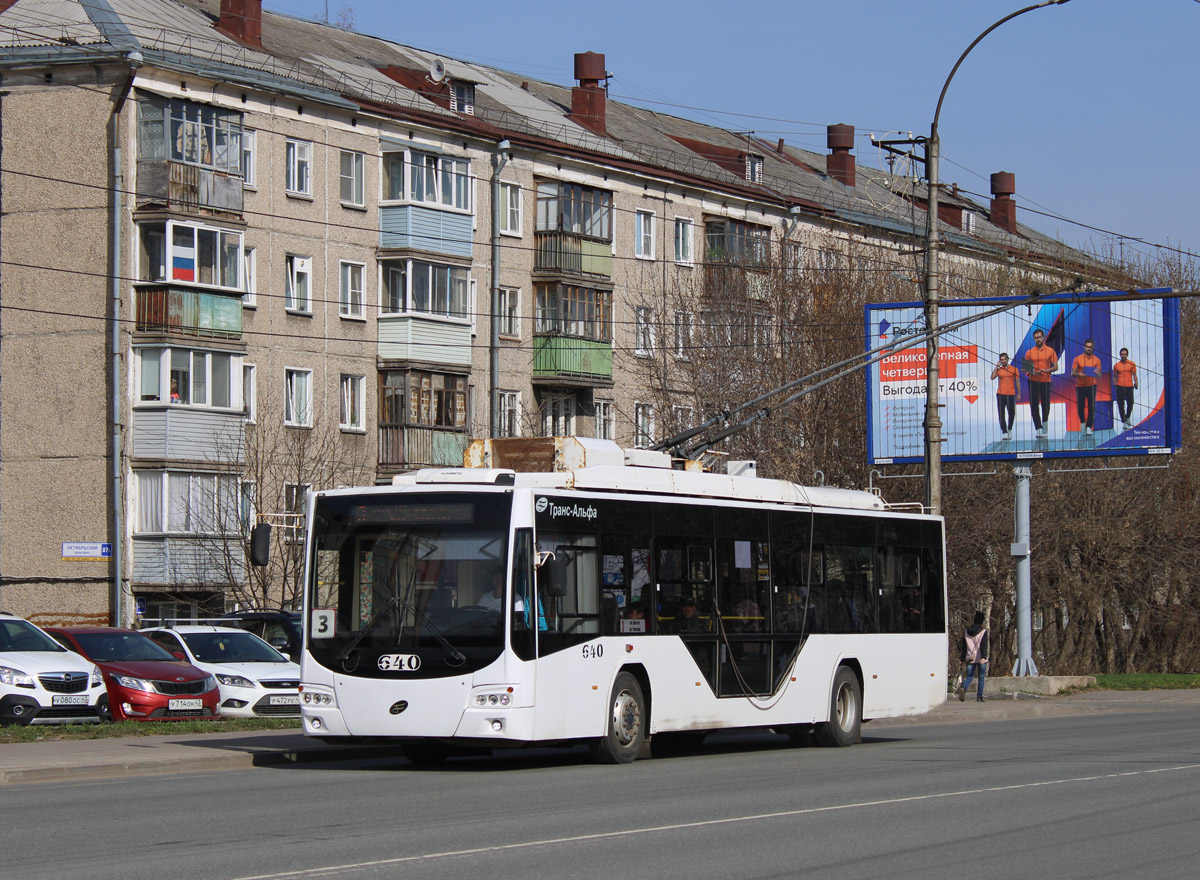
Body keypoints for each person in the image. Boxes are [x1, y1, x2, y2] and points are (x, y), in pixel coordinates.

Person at [1024, 329, 1058, 438]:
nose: (1038, 339)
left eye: (1039, 337)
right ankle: (1038, 428)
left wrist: (1046, 370)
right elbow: (1026, 369)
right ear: (1034, 339)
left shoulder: (1051, 351)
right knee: (1034, 405)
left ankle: (1045, 421)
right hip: (1033, 381)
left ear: (1043, 338)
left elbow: (1056, 367)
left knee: (1046, 404)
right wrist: (1031, 371)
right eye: (1036, 338)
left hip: (1046, 381)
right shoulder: (1029, 352)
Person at [955, 611, 989, 702]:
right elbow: (984, 645)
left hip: (970, 658)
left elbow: (964, 646)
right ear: (982, 621)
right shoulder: (983, 632)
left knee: (969, 677)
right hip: (980, 658)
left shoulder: (967, 631)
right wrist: (983, 657)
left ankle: (963, 687)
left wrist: (962, 658)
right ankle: (979, 697)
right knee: (981, 678)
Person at [1070, 338, 1101, 435]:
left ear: (1093, 348)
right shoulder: (1077, 359)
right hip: (1080, 386)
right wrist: (1079, 374)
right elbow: (1072, 373)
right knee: (1080, 406)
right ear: (1084, 347)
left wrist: (1097, 373)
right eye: (1087, 347)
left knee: (1092, 407)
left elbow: (1099, 375)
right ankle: (1083, 423)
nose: (1088, 349)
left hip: (1092, 386)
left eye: (1090, 347)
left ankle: (1088, 427)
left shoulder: (1097, 360)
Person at [991, 352, 1021, 440]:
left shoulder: (1014, 369)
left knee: (1012, 413)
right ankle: (1004, 432)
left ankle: (1010, 428)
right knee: (1001, 414)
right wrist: (996, 367)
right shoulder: (999, 370)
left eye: (1004, 359)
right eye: (1001, 360)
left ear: (1007, 359)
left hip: (1011, 394)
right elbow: (992, 377)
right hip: (1000, 394)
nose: (1003, 361)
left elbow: (1017, 382)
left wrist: (1018, 394)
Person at [1113, 347, 1138, 429]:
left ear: (1127, 355)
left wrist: (1136, 382)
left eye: (1124, 354)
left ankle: (1128, 416)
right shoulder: (1116, 365)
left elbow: (1134, 375)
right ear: (1120, 355)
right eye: (1122, 354)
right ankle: (1123, 421)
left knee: (1130, 403)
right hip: (1120, 386)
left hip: (1129, 386)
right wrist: (1115, 384)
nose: (1123, 356)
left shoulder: (1132, 364)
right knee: (1121, 404)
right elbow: (1114, 376)